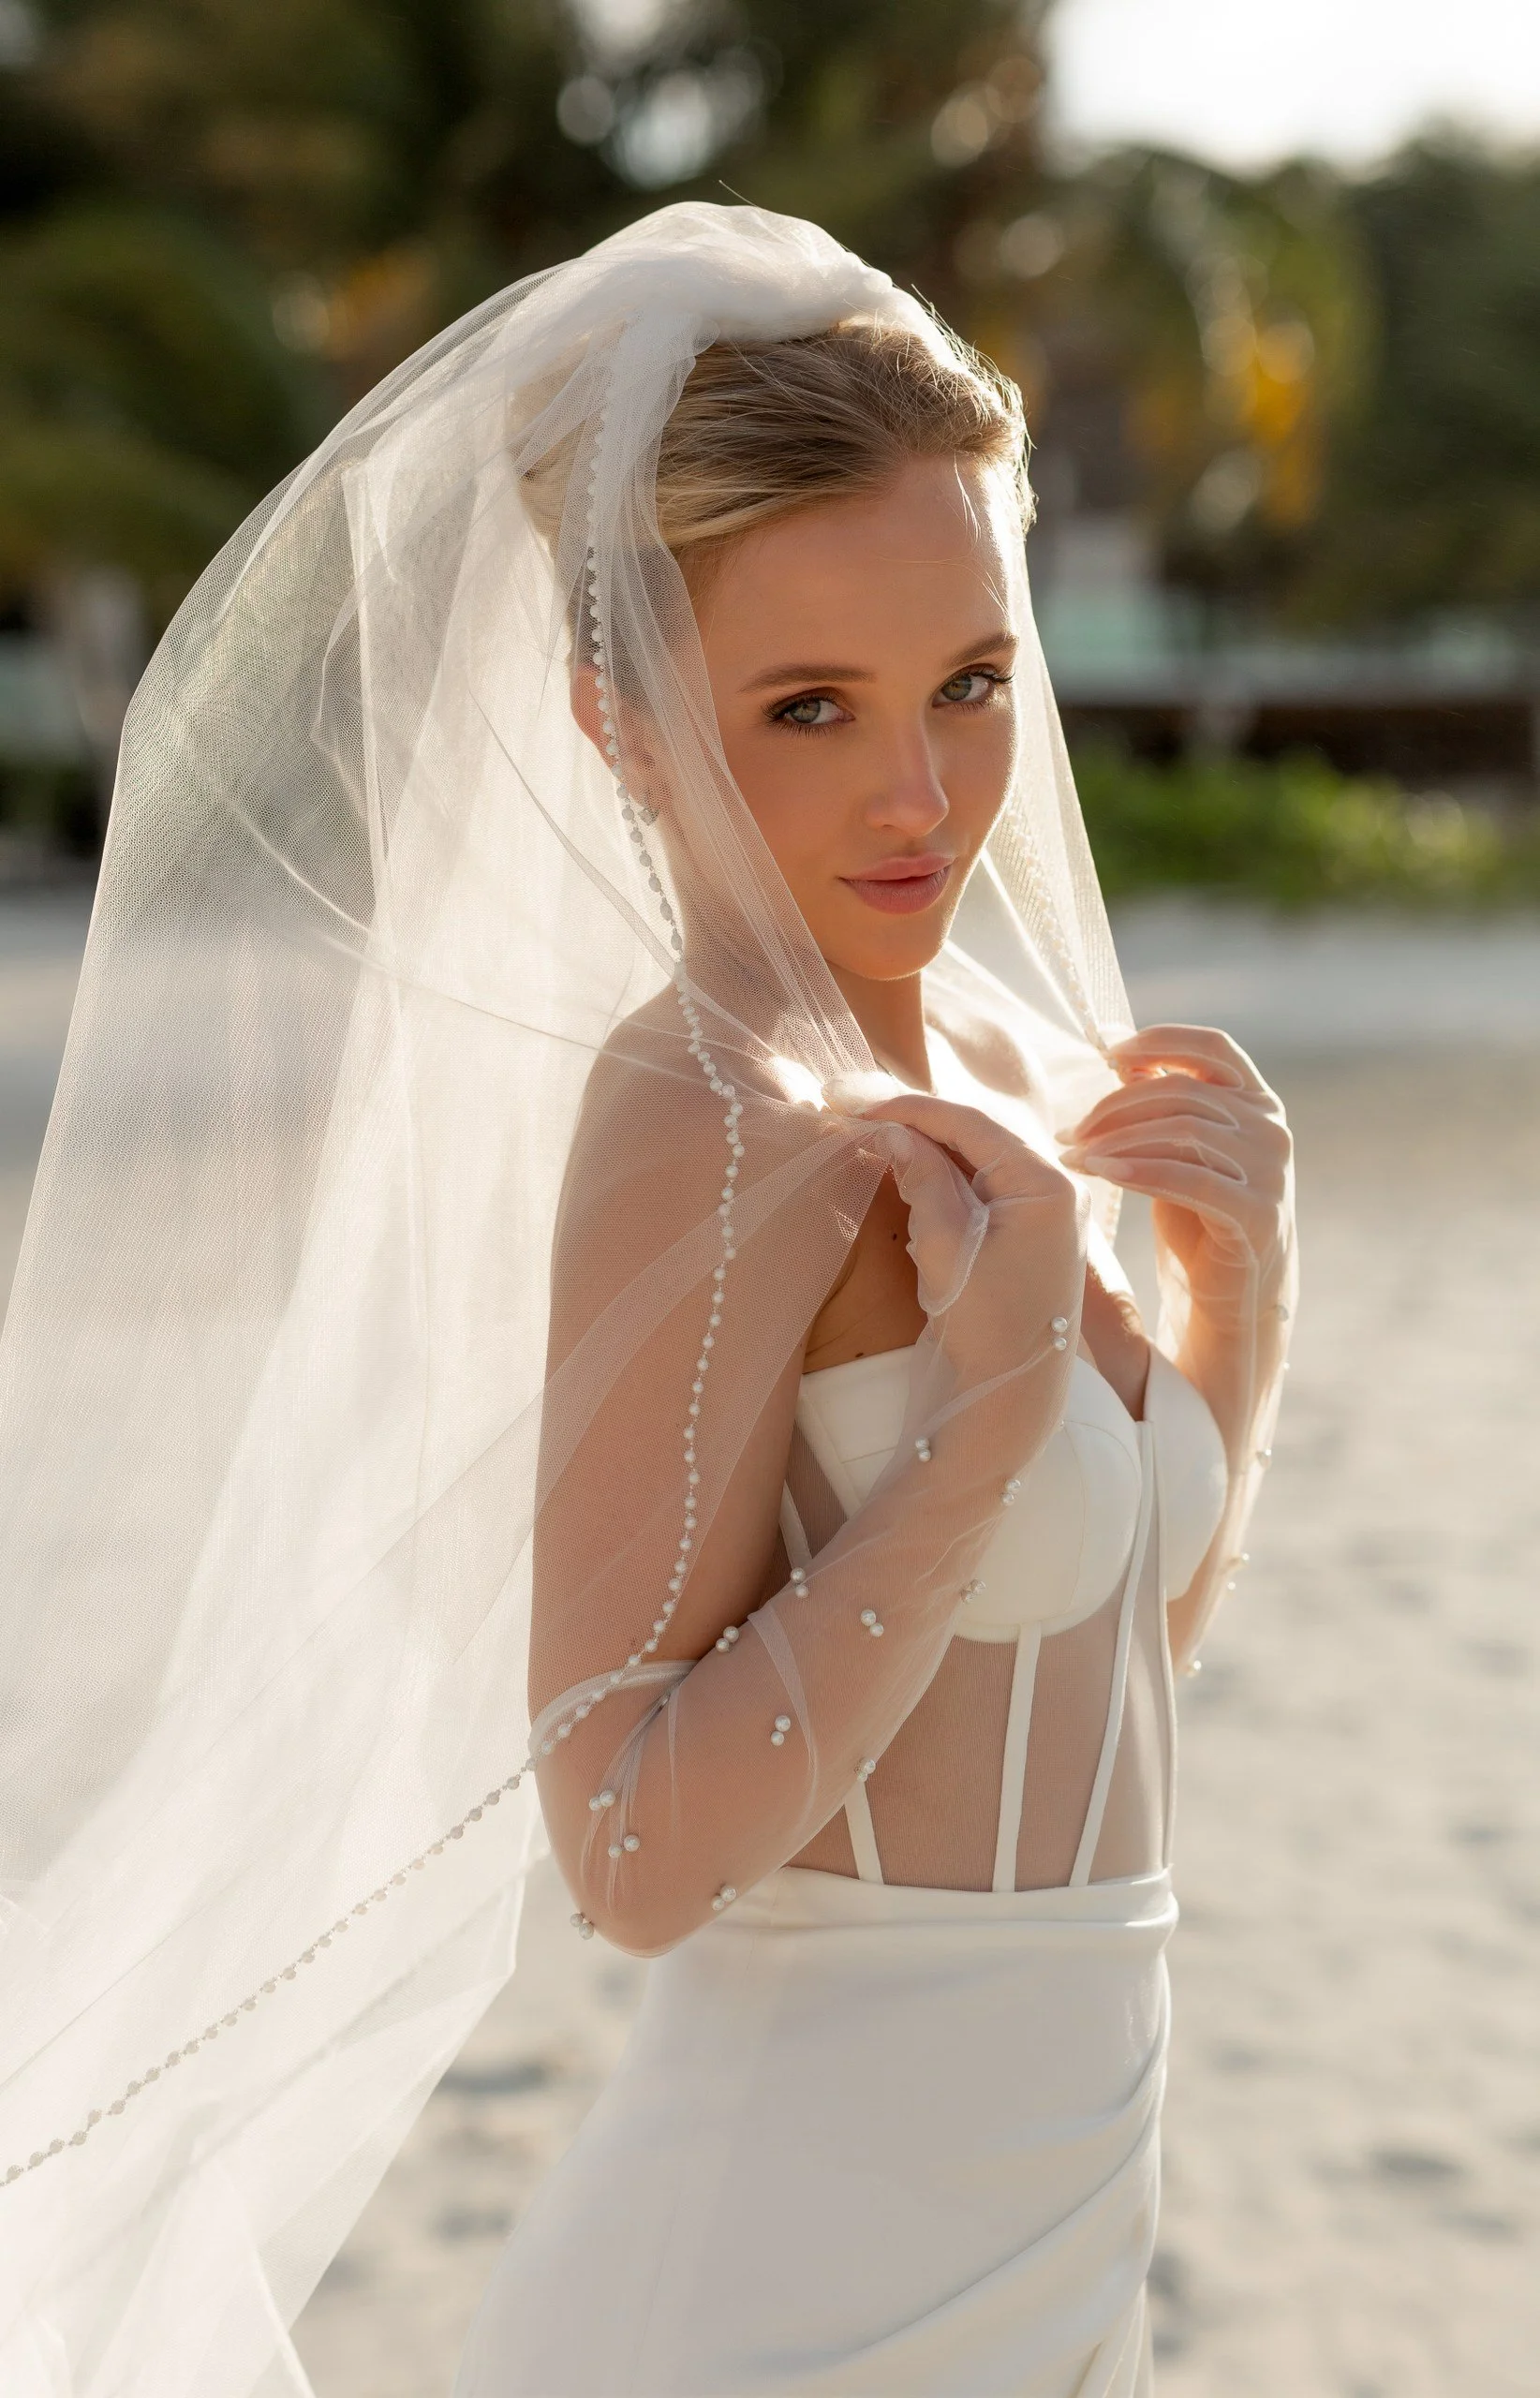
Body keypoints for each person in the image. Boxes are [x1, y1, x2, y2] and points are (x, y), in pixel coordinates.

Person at [0, 206, 1294, 2398]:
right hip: (779, 2270)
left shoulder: (1000, 1053)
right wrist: (980, 1426)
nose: (921, 792)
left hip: (1061, 2210)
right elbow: (625, 1842)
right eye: (810, 707)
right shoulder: (711, 1116)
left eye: (971, 681)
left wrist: (1232, 1300)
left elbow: (1107, 1677)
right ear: (617, 715)